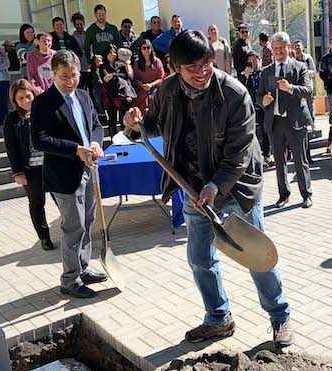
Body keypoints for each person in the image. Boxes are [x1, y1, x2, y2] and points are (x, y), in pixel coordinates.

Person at [123, 29, 293, 347]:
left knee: (256, 256)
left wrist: (216, 186)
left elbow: (239, 153)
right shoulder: (167, 90)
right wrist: (135, 124)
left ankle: (280, 316)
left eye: (206, 64)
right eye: (193, 68)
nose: (202, 73)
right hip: (192, 188)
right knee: (200, 257)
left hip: (237, 188)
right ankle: (218, 318)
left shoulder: (234, 94)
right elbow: (152, 125)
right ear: (175, 68)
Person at [31, 50, 106, 299]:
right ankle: (70, 280)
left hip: (89, 169)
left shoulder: (83, 96)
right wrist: (76, 150)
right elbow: (40, 140)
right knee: (73, 228)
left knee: (87, 223)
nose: (69, 81)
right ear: (53, 74)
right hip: (64, 175)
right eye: (64, 77)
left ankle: (83, 268)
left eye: (73, 75)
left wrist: (96, 144)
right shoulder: (43, 102)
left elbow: (95, 125)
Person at [259, 31, 313, 209]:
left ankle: (306, 194)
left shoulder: (299, 67)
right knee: (279, 162)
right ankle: (283, 195)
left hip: (295, 121)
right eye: (275, 49)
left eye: (282, 48)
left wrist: (291, 88)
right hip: (274, 122)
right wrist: (262, 101)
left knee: (300, 160)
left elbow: (308, 90)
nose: (279, 52)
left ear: (288, 48)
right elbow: (257, 96)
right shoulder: (266, 71)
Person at [3, 79, 55, 251]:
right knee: (37, 203)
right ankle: (44, 237)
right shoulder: (12, 119)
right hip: (31, 170)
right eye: (21, 99)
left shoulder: (44, 110)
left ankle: (70, 232)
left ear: (34, 93)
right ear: (15, 101)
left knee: (64, 199)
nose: (26, 101)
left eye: (28, 96)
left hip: (52, 165)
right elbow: (11, 147)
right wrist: (17, 172)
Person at [238, 51, 270, 165]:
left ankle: (267, 154)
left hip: (263, 106)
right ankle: (257, 155)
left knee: (265, 130)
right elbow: (242, 90)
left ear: (258, 59)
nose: (253, 62)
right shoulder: (246, 75)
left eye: (254, 59)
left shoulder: (264, 73)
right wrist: (246, 77)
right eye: (250, 60)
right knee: (254, 131)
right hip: (252, 106)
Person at [100, 45, 136, 136]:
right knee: (112, 119)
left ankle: (124, 139)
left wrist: (127, 64)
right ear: (106, 54)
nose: (113, 54)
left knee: (123, 119)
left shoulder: (121, 64)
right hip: (109, 96)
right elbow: (106, 78)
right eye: (110, 52)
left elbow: (130, 77)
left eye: (114, 52)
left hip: (122, 96)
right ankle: (113, 140)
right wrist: (116, 74)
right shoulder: (103, 66)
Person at [133, 39, 165, 113]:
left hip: (155, 88)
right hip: (142, 88)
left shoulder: (157, 61)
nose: (146, 50)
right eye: (144, 48)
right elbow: (135, 79)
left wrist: (151, 85)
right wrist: (142, 85)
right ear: (141, 50)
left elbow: (161, 78)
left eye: (148, 47)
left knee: (153, 98)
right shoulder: (137, 63)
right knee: (141, 99)